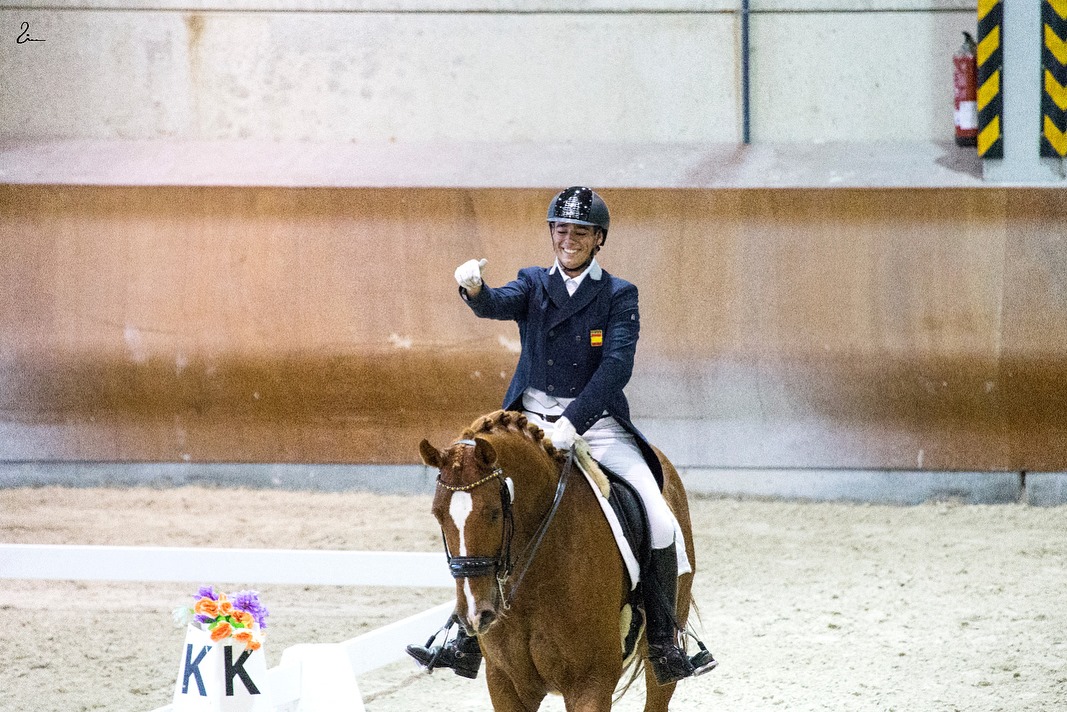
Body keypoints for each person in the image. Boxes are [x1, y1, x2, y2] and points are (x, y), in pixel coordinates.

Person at [407, 187, 712, 686]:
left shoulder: (619, 295)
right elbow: (498, 305)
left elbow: (616, 367)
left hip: (595, 423)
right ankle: (462, 632)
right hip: (526, 421)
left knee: (660, 519)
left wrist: (574, 423)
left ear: (598, 240)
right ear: (553, 234)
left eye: (580, 233)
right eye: (561, 230)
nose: (569, 240)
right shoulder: (533, 283)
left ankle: (663, 640)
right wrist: (477, 290)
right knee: (478, 506)